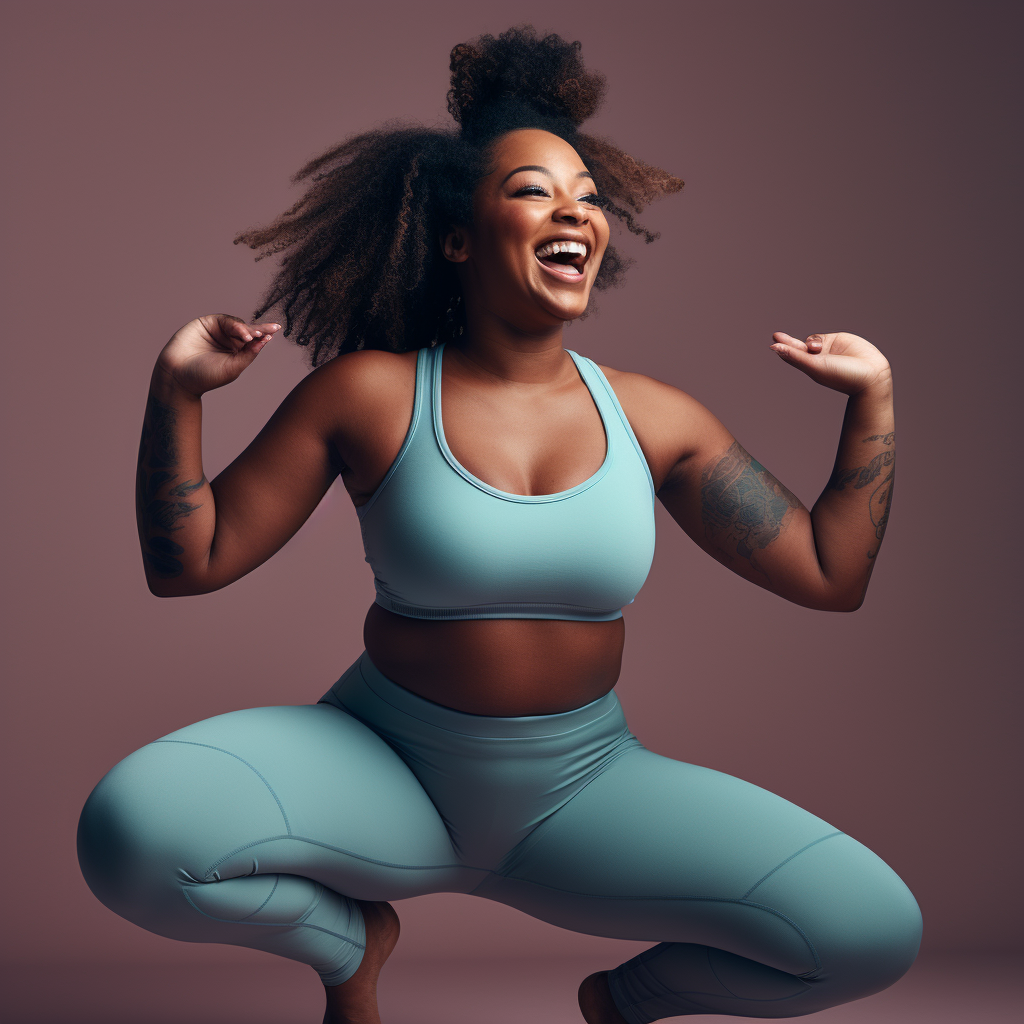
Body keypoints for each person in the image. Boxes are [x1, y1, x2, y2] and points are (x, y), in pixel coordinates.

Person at [78, 26, 920, 1024]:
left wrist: (872, 399)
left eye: (587, 195)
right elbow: (193, 560)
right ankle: (349, 943)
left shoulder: (657, 418)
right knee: (131, 834)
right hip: (381, 764)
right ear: (456, 235)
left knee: (870, 930)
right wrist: (177, 391)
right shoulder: (371, 396)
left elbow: (829, 571)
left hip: (582, 790)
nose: (572, 208)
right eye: (531, 189)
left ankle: (625, 1002)